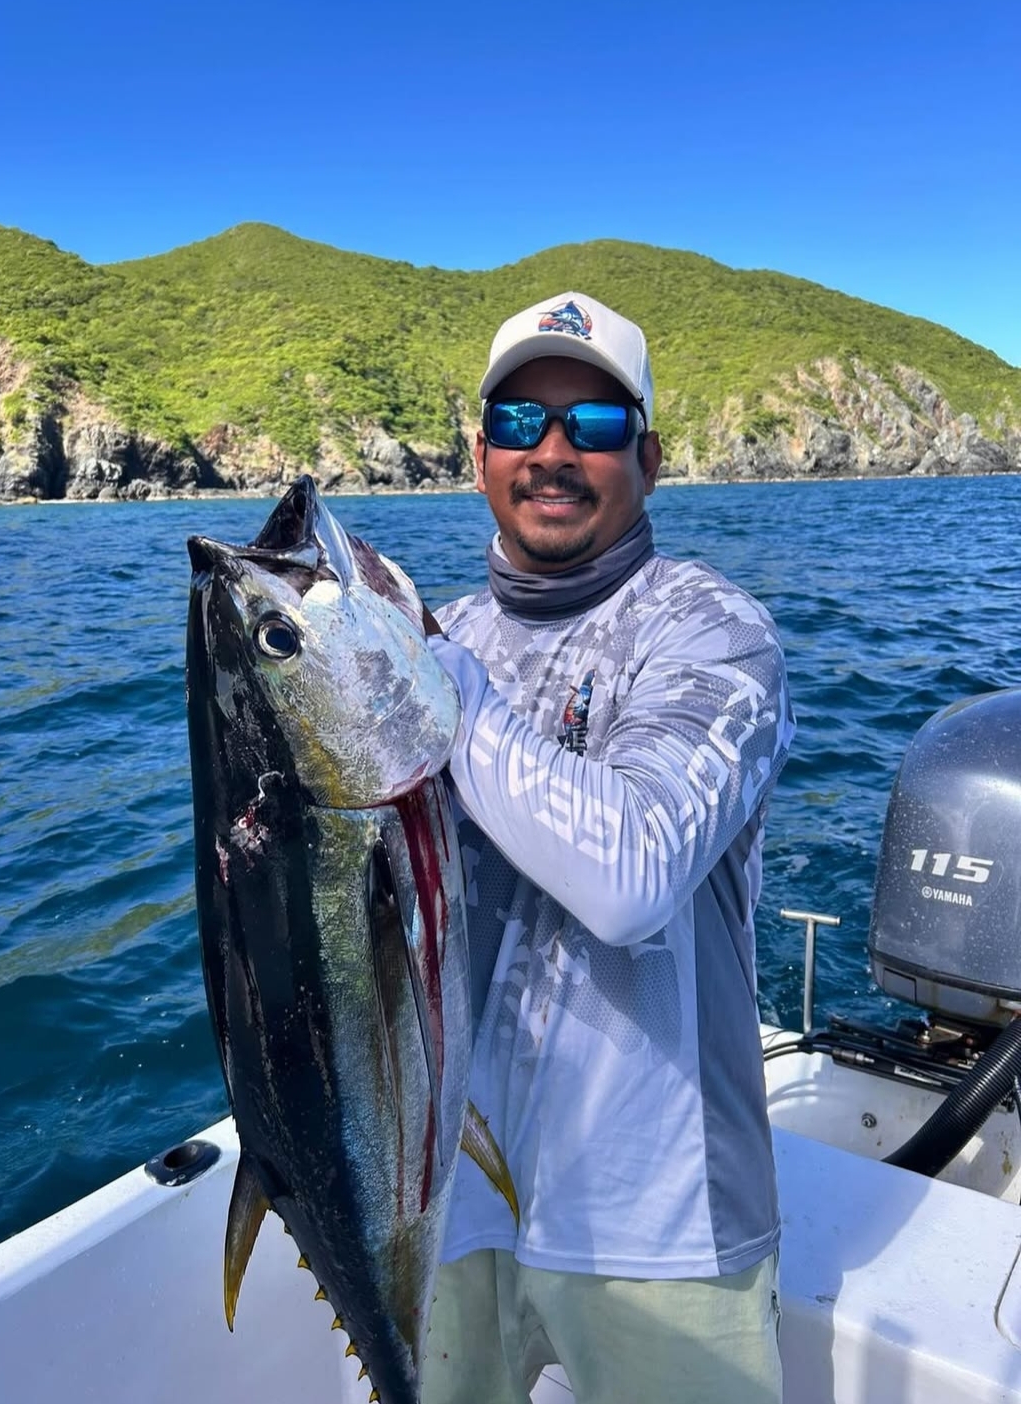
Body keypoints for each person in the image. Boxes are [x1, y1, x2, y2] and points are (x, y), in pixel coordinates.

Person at [421, 292, 796, 1404]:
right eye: (518, 421)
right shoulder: (438, 637)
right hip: (445, 1197)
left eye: (591, 424)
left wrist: (425, 683)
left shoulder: (713, 631)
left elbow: (631, 875)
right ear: (479, 455)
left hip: (662, 1227)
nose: (552, 452)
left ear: (649, 458)